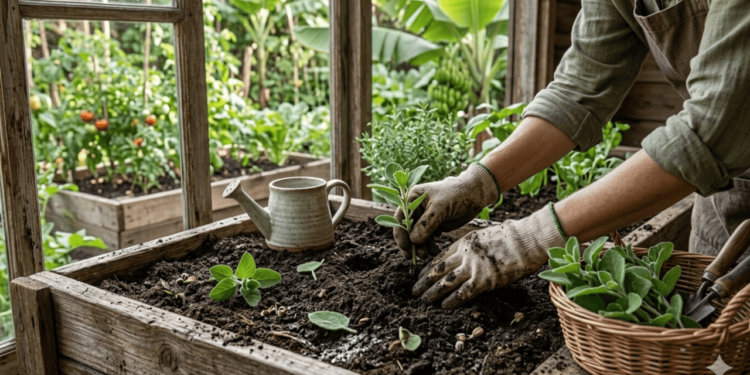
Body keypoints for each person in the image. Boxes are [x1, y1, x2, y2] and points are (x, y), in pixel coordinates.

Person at [397, 0, 750, 309]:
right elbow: (580, 88)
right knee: (713, 334)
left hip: (720, 155)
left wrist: (527, 239)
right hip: (724, 190)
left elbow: (712, 128)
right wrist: (476, 182)